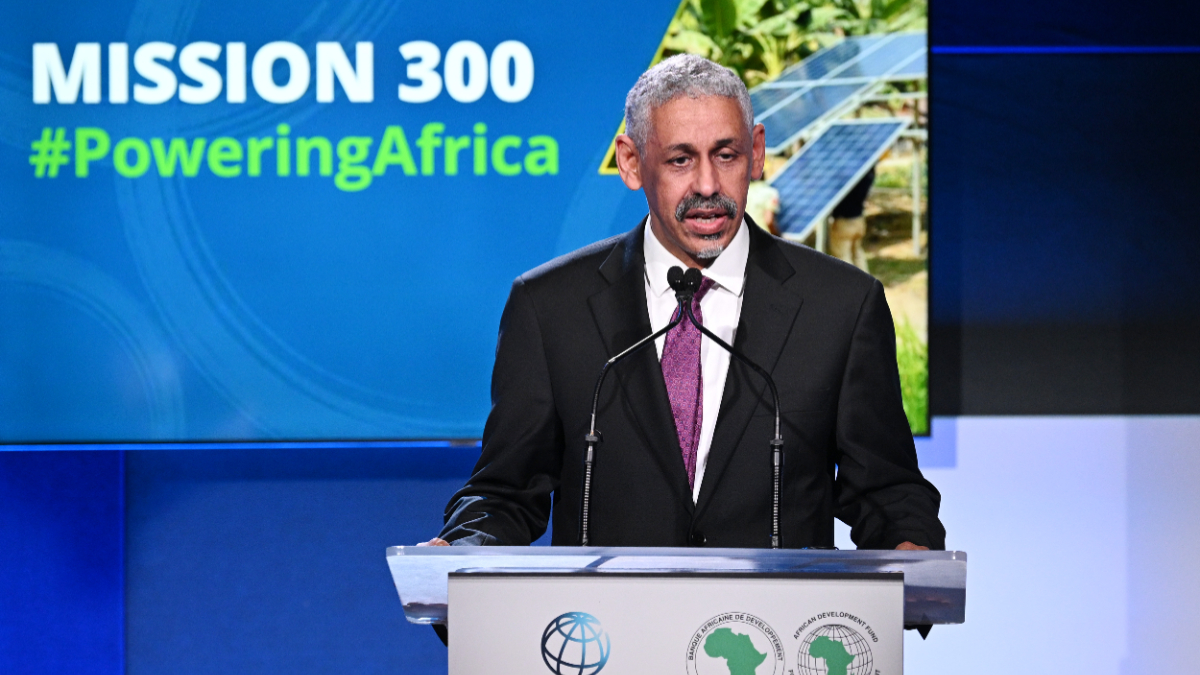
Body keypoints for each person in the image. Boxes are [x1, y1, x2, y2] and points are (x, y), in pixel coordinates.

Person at [421, 55, 943, 552]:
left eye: (726, 154)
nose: (708, 186)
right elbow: (506, 492)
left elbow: (887, 490)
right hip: (610, 638)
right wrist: (462, 551)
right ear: (631, 162)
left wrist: (910, 548)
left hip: (771, 636)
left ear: (756, 151)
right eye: (680, 160)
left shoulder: (842, 306)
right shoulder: (550, 307)